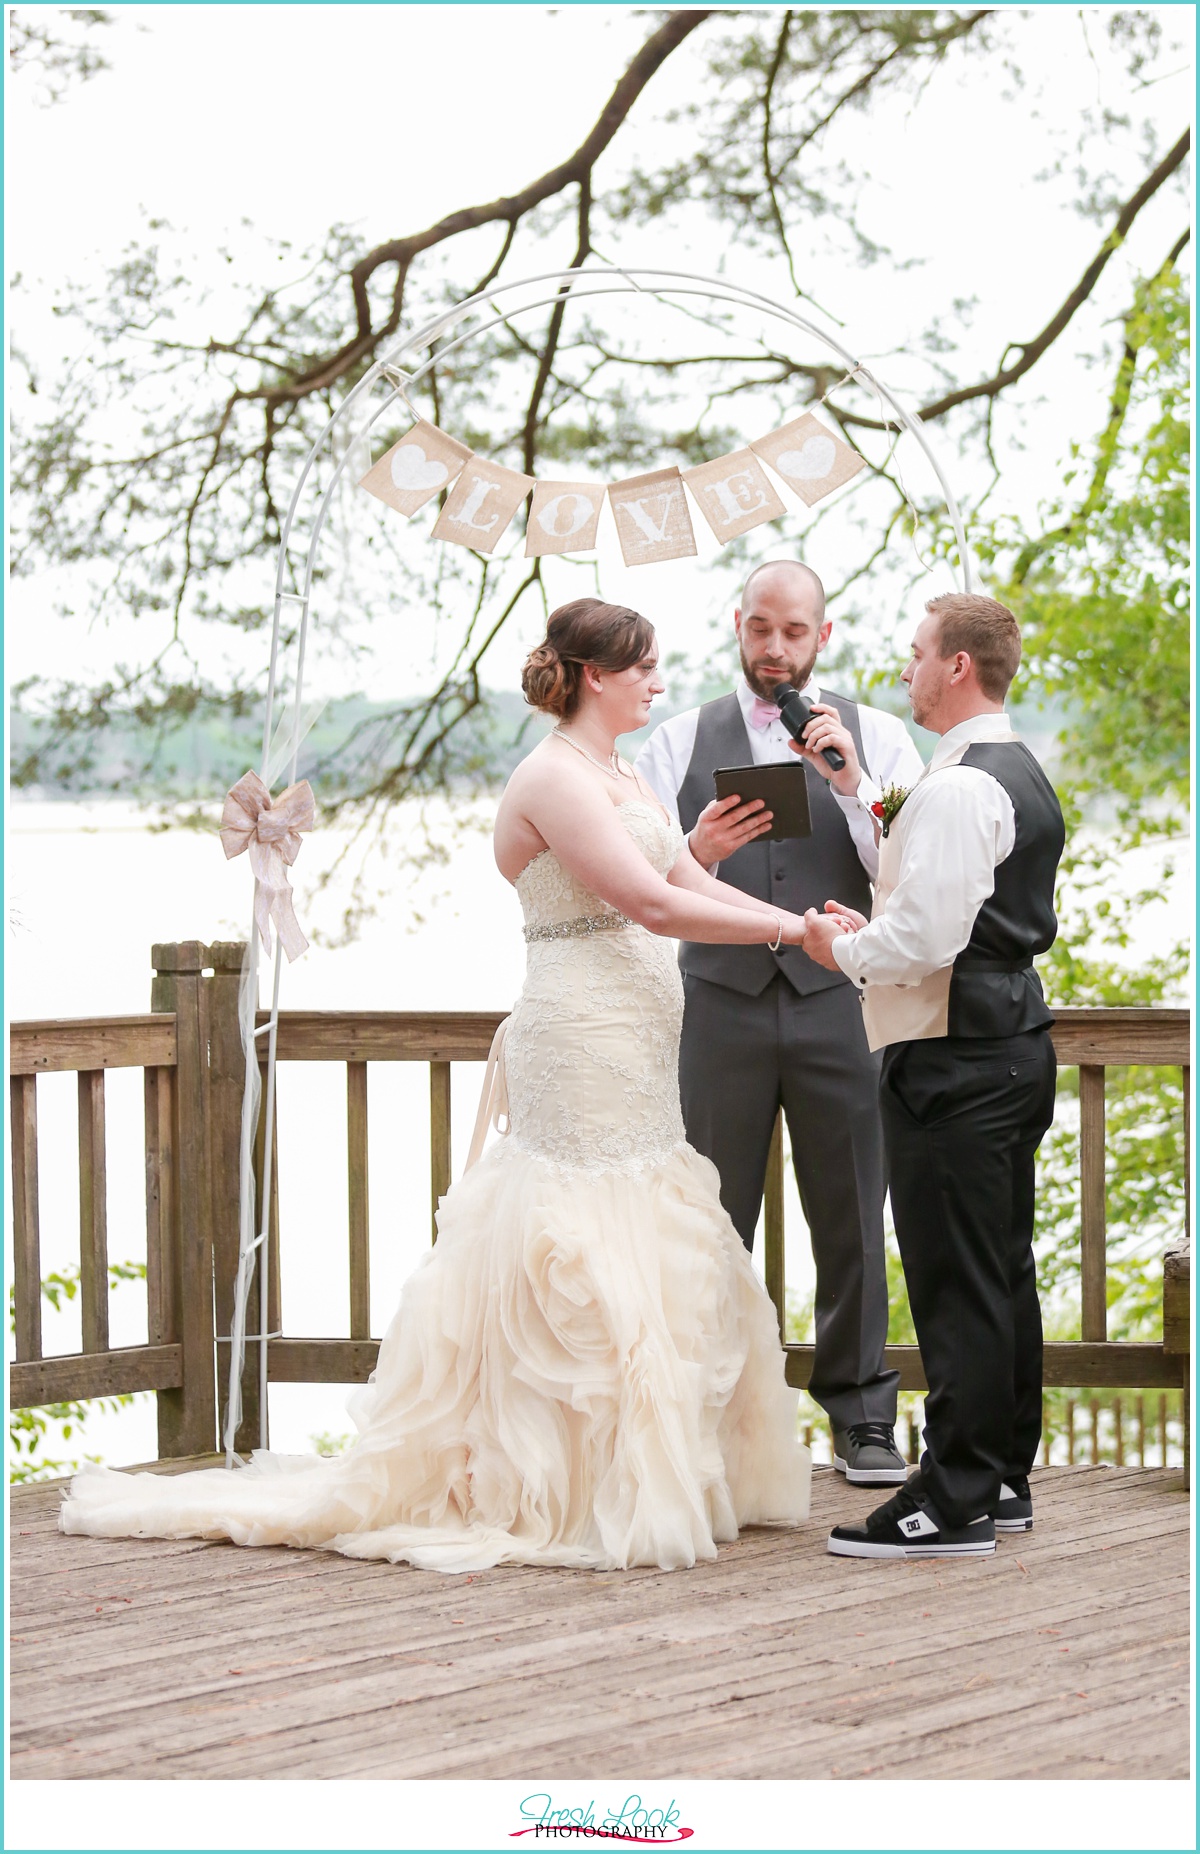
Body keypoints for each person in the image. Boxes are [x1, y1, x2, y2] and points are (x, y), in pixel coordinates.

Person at [60, 598, 812, 1574]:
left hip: (639, 1040)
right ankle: (555, 1485)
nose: (660, 682)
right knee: (578, 1237)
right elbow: (646, 902)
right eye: (644, 667)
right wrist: (790, 932)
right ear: (593, 675)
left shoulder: (622, 770)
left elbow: (680, 877)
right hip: (579, 1034)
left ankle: (638, 1470)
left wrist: (765, 899)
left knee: (652, 1224)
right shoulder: (550, 775)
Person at [638, 559, 925, 1487]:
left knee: (851, 1210)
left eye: (793, 633)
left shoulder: (878, 736)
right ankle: (717, 1418)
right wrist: (698, 849)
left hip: (840, 1005)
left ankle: (863, 1417)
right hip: (714, 1008)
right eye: (760, 628)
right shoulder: (675, 741)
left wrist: (848, 781)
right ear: (737, 625)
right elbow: (640, 878)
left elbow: (915, 869)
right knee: (713, 1220)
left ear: (823, 637)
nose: (775, 649)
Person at [803, 592, 1065, 1560]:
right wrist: (854, 787)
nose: (905, 668)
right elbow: (938, 865)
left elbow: (923, 934)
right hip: (1002, 1045)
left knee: (958, 1282)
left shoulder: (960, 788)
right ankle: (999, 1477)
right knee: (999, 1272)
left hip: (956, 1059)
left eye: (917, 654)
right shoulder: (1001, 771)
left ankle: (950, 1496)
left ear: (957, 665)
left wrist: (840, 948)